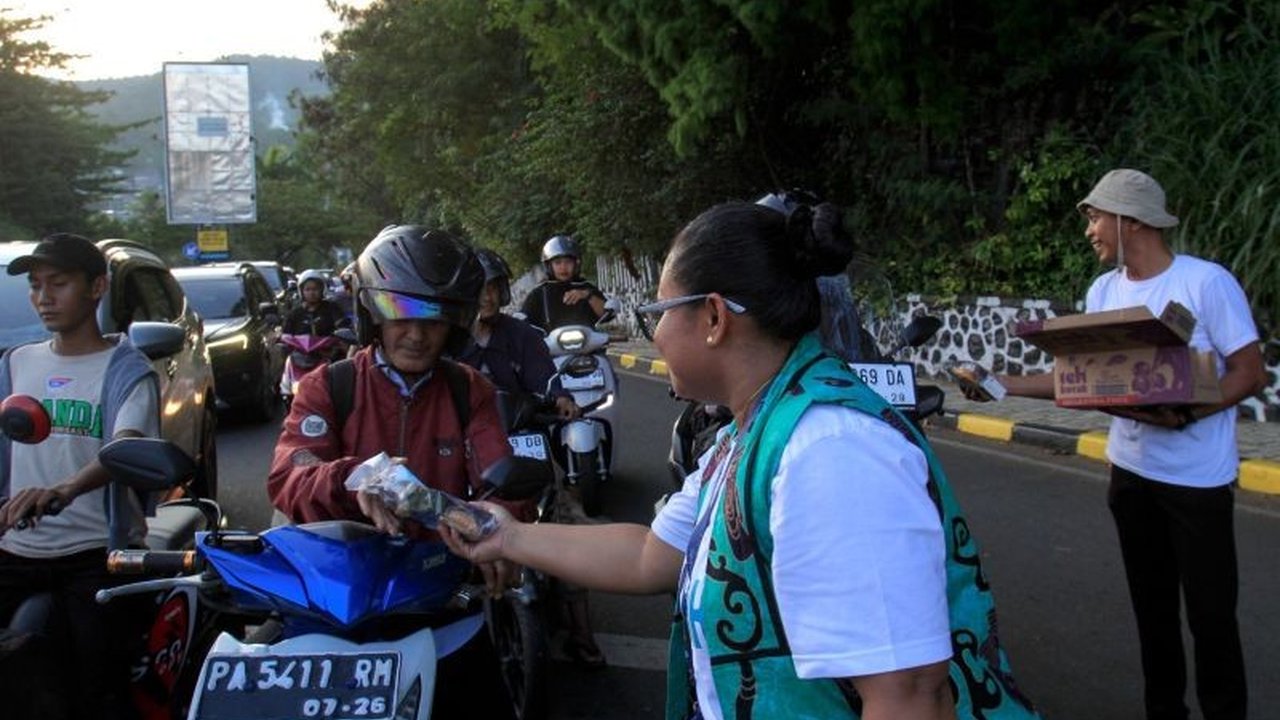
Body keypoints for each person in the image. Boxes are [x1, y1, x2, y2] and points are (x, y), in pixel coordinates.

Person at [444, 200, 1039, 719]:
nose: (652, 336)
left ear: (712, 318)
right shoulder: (750, 432)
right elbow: (651, 556)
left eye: (657, 316)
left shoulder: (830, 450)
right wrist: (509, 537)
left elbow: (908, 696)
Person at [962, 169, 1264, 720]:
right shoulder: (1104, 291)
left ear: (1130, 219)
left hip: (1197, 483)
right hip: (1131, 476)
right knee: (1152, 615)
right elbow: (1082, 377)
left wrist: (1190, 411)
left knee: (1211, 618)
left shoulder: (1205, 283)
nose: (1090, 231)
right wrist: (999, 385)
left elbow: (1249, 371)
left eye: (1096, 218)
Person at [267, 225, 524, 719]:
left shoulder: (470, 390)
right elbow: (289, 474)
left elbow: (500, 475)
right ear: (372, 314)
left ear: (455, 324)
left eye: (435, 317)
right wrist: (352, 478)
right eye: (401, 312)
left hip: (440, 605)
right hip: (335, 607)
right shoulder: (328, 386)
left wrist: (502, 526)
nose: (416, 333)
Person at [0, 233, 161, 720]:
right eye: (36, 285)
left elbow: (124, 448)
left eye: (59, 283)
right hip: (15, 550)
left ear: (97, 288)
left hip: (95, 555)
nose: (44, 297)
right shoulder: (15, 364)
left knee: (98, 690)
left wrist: (64, 490)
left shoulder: (128, 371)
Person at [458, 247, 607, 668]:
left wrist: (560, 398)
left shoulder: (522, 335)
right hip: (468, 448)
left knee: (568, 525)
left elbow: (546, 376)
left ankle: (582, 634)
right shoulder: (450, 339)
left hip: (523, 439)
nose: (486, 298)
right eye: (477, 290)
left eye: (492, 288)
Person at [519, 234, 608, 331]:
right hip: (549, 345)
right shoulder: (539, 292)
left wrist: (587, 295)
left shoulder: (586, 287)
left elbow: (605, 314)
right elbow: (524, 321)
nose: (563, 267)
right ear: (549, 265)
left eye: (568, 262)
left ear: (576, 264)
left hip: (588, 344)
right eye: (558, 263)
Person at [282, 268, 350, 338]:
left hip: (328, 348)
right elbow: (286, 336)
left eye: (315, 289)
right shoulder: (294, 314)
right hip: (300, 349)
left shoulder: (332, 308)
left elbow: (343, 329)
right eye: (307, 290)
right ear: (301, 291)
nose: (311, 293)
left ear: (322, 289)